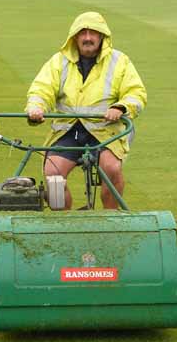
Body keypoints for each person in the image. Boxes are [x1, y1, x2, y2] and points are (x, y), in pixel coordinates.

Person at [25, 11, 147, 209]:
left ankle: (110, 219)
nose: (88, 38)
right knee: (52, 175)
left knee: (111, 168)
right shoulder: (58, 61)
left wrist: (120, 107)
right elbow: (42, 88)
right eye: (83, 33)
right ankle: (67, 225)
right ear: (75, 37)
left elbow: (136, 93)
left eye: (93, 33)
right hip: (68, 130)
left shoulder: (120, 61)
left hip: (106, 129)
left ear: (102, 37)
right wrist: (36, 107)